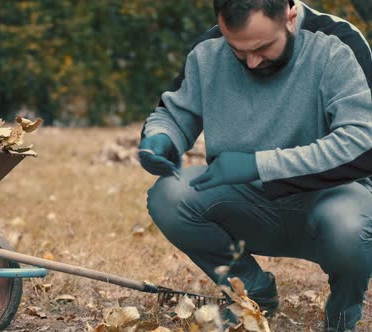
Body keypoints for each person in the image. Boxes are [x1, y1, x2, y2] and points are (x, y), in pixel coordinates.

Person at [138, 0, 372, 330]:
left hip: (333, 201)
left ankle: (341, 316)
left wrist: (259, 166)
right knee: (169, 195)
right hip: (249, 203)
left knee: (349, 228)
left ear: (290, 17)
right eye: (238, 49)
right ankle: (253, 294)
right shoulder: (210, 48)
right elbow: (174, 112)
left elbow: (362, 146)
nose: (251, 61)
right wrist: (161, 137)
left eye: (263, 47)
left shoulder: (337, 42)